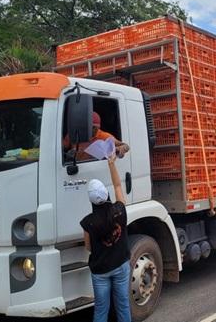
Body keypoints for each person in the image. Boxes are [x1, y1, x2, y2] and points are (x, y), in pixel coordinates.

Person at [80, 155, 131, 322]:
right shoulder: (119, 210)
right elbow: (117, 185)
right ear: (106, 194)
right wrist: (111, 164)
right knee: (123, 304)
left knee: (102, 309)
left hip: (100, 271)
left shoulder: (88, 222)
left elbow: (88, 247)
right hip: (121, 265)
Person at [64, 112, 130, 161]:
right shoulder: (73, 133)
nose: (91, 129)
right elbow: (61, 148)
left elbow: (126, 146)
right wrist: (68, 154)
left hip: (95, 168)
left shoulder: (105, 136)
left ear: (98, 127)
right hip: (75, 167)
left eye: (94, 127)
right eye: (88, 126)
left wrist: (121, 148)